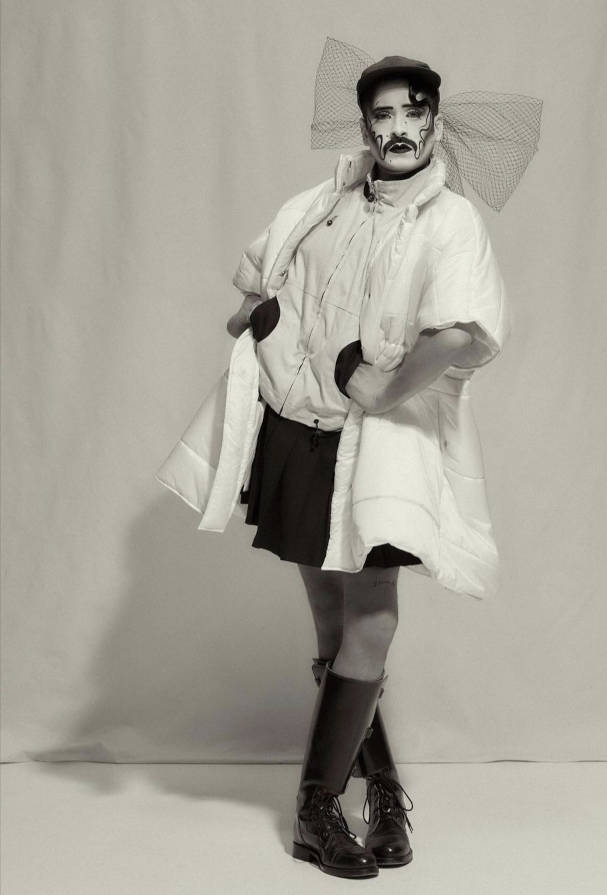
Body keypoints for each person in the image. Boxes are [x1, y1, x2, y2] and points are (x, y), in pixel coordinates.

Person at [158, 43, 540, 881]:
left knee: (375, 614)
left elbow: (463, 332)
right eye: (384, 113)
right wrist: (265, 328)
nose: (399, 127)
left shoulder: (450, 221)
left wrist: (384, 387)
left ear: (438, 122)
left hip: (382, 446)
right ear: (365, 125)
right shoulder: (321, 204)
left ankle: (314, 807)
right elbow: (256, 296)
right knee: (334, 627)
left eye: (414, 112)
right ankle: (385, 789)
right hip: (297, 432)